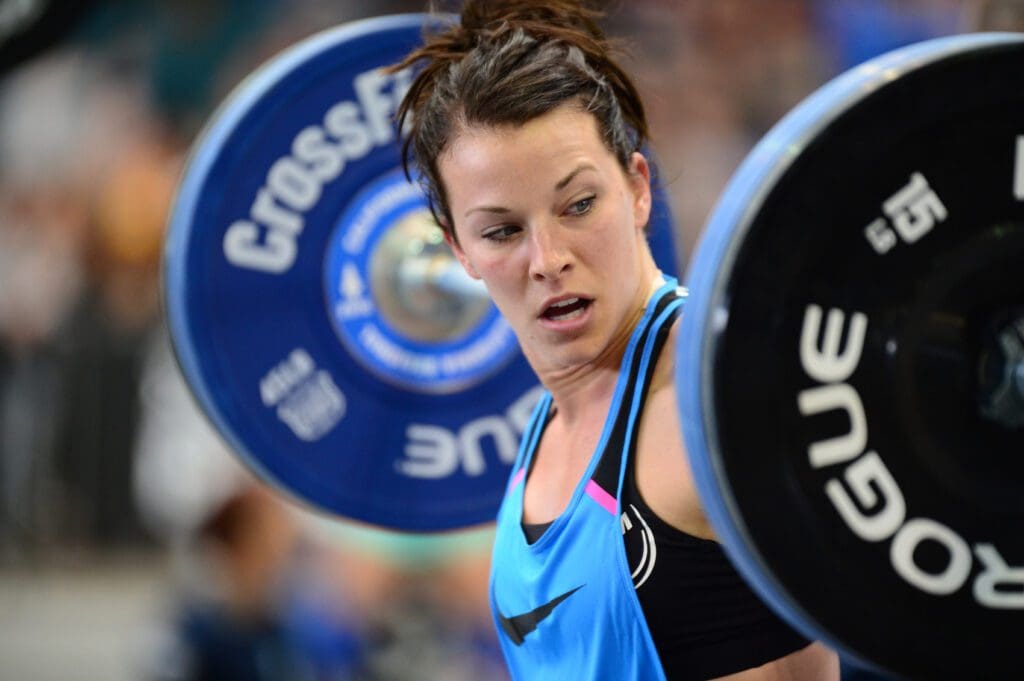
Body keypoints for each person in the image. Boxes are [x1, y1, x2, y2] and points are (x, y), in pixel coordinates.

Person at [392, 1, 841, 679]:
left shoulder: (712, 387)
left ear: (637, 188)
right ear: (459, 249)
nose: (548, 258)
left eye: (577, 205)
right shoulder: (545, 429)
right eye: (502, 231)